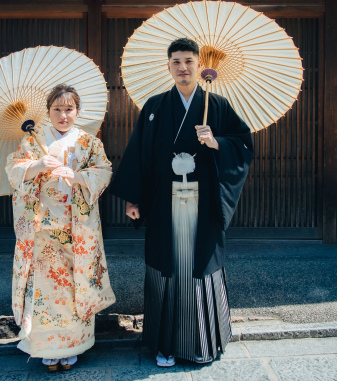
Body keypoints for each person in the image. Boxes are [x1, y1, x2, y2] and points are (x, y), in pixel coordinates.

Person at [109, 37, 254, 367]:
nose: (183, 67)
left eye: (189, 61)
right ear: (169, 66)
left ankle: (201, 343)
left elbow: (243, 144)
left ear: (199, 65)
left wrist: (216, 142)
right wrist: (134, 197)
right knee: (167, 269)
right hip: (163, 202)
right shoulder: (155, 107)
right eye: (176, 62)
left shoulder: (216, 106)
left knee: (197, 268)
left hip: (202, 205)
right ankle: (166, 346)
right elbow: (140, 154)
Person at [5, 84, 115, 372]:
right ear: (48, 112)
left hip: (77, 229)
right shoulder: (33, 140)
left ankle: (73, 346)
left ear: (77, 111)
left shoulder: (90, 143)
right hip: (43, 230)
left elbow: (104, 171)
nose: (63, 115)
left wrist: (78, 176)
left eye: (69, 109)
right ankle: (46, 348)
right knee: (44, 290)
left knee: (74, 289)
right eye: (57, 109)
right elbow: (14, 171)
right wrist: (38, 164)